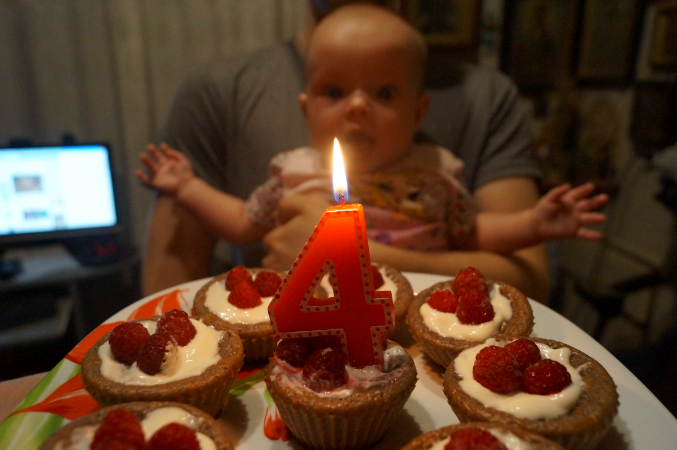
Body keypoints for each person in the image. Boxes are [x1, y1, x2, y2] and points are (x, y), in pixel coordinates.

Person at [139, 3, 607, 302]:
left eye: (384, 93)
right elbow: (242, 220)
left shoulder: (436, 175)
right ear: (305, 109)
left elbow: (475, 232)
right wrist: (188, 187)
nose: (358, 106)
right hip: (314, 319)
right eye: (335, 92)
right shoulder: (293, 174)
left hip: (417, 319)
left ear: (418, 111)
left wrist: (532, 225)